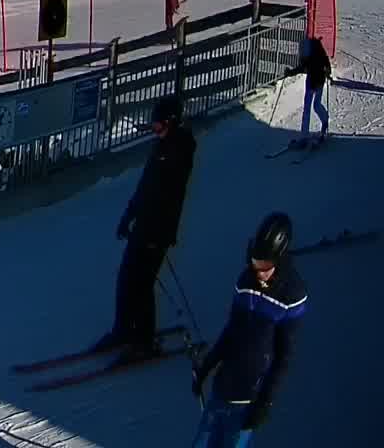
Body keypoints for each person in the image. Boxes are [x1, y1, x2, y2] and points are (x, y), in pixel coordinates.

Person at [191, 213, 307, 445]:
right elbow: (232, 330)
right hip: (223, 387)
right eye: (254, 263)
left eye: (265, 266)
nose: (259, 272)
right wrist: (208, 365)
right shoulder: (246, 281)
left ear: (280, 257)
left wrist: (265, 402)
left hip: (249, 398)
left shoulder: (293, 295)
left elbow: (284, 357)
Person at [98, 95, 196, 358]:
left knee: (142, 283)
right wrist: (128, 215)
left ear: (172, 123)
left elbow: (168, 196)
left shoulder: (180, 148)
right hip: (144, 224)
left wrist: (158, 230)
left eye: (160, 124)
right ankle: (123, 330)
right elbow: (145, 186)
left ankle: (144, 340)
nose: (155, 129)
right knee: (126, 276)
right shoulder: (161, 147)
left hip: (159, 228)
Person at [288, 37, 332, 146]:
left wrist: (290, 72)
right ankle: (305, 134)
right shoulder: (315, 51)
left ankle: (324, 121)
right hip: (313, 81)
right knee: (310, 107)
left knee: (313, 106)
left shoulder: (313, 54)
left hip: (317, 82)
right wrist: (328, 71)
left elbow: (302, 67)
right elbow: (325, 63)